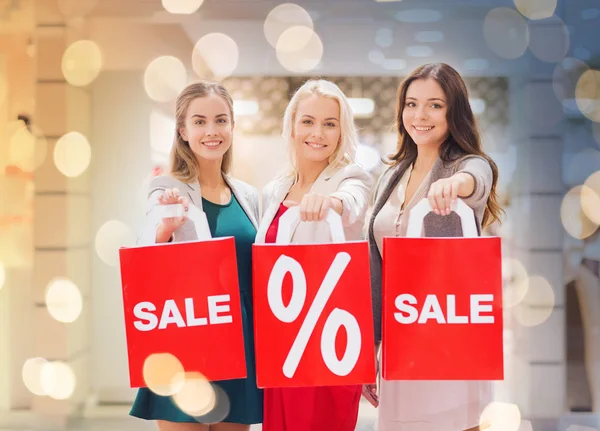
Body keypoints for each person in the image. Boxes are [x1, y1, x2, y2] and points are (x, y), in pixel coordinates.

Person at [367, 63, 503, 431]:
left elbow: (479, 176)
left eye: (434, 105)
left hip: (449, 333)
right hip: (402, 338)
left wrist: (455, 184)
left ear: (453, 112)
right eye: (411, 104)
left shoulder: (463, 165)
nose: (420, 115)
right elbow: (375, 265)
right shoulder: (391, 177)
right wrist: (371, 344)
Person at [130, 81, 263, 431]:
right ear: (183, 131)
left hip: (240, 340)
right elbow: (144, 257)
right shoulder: (166, 188)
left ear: (232, 126)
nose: (211, 131)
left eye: (221, 120)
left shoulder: (249, 196)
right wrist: (164, 229)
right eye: (200, 121)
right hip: (185, 336)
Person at [255, 79, 374, 431]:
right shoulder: (274, 190)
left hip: (328, 342)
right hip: (283, 341)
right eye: (308, 121)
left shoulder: (350, 177)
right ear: (292, 126)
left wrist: (331, 202)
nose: (317, 133)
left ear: (341, 131)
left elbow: (353, 202)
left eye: (329, 123)